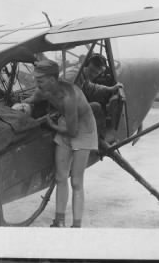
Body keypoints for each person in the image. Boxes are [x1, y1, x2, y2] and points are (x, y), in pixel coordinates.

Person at [23, 59, 98, 228]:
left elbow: (72, 132)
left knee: (77, 182)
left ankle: (76, 226)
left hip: (83, 131)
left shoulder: (69, 97)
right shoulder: (44, 90)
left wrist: (52, 125)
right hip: (66, 124)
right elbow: (33, 99)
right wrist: (22, 105)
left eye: (40, 80)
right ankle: (59, 221)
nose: (37, 83)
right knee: (60, 177)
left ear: (52, 79)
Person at [65, 54, 123, 136]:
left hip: (67, 108)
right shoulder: (74, 76)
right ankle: (99, 138)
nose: (93, 74)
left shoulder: (81, 74)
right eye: (91, 70)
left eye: (96, 73)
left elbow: (91, 87)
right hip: (63, 112)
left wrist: (110, 89)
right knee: (96, 106)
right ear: (86, 65)